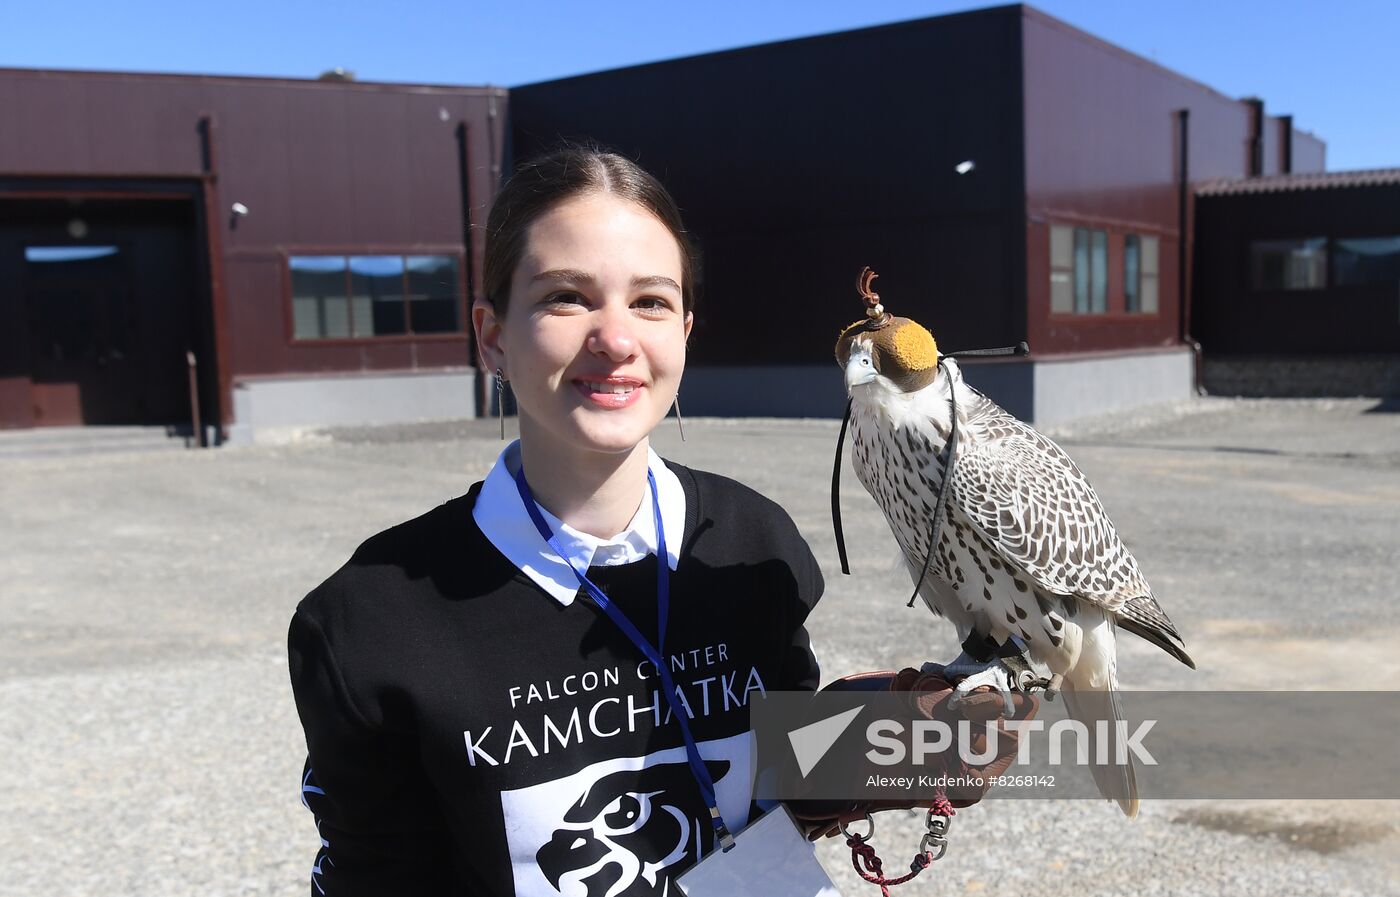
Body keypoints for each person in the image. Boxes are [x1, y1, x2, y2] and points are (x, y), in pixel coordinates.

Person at [288, 147, 825, 896]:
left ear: (686, 329)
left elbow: (791, 772)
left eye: (650, 301)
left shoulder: (753, 542)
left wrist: (925, 742)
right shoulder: (368, 621)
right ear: (492, 335)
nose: (616, 339)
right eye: (567, 296)